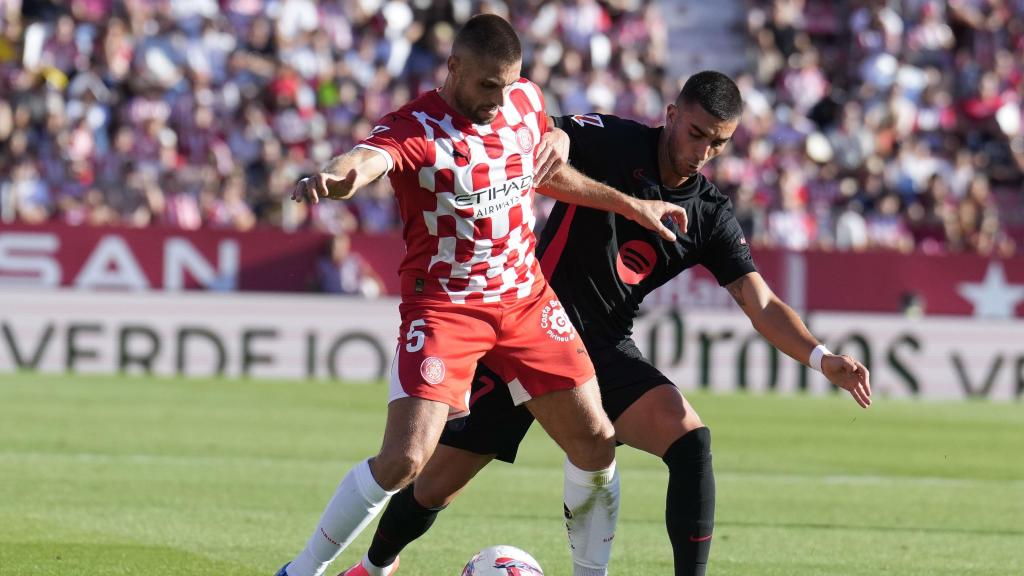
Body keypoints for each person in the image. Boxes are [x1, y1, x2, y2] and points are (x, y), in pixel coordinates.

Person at [350, 71, 873, 576]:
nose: (702, 151)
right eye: (695, 133)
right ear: (671, 115)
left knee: (691, 442)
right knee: (434, 485)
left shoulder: (710, 214)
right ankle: (372, 567)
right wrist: (553, 134)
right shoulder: (615, 141)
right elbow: (540, 128)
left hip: (602, 348)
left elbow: (759, 302)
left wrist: (820, 357)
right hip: (521, 330)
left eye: (719, 143)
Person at [275, 14, 689, 576]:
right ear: (454, 68)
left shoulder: (523, 102)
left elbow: (539, 175)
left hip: (524, 299)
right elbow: (369, 158)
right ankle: (301, 571)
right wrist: (340, 173)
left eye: (509, 83)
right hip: (446, 306)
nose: (499, 98)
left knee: (595, 440)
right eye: (486, 85)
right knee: (404, 461)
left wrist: (629, 204)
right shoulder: (414, 126)